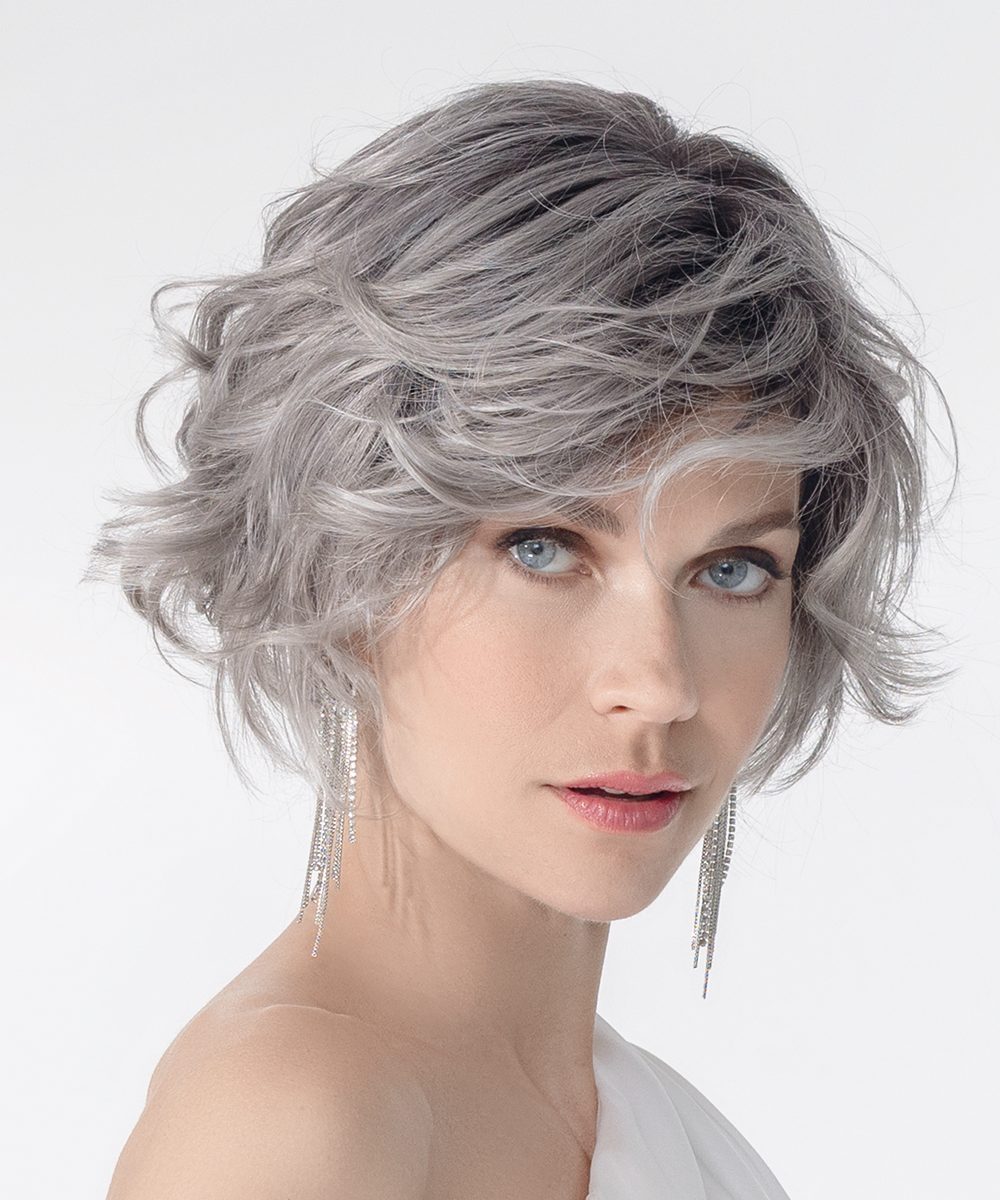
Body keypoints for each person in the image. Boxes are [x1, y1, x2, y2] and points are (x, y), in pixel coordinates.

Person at [87, 77, 955, 1200]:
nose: (659, 685)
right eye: (544, 549)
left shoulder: (614, 1099)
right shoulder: (294, 1126)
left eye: (732, 569)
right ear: (338, 570)